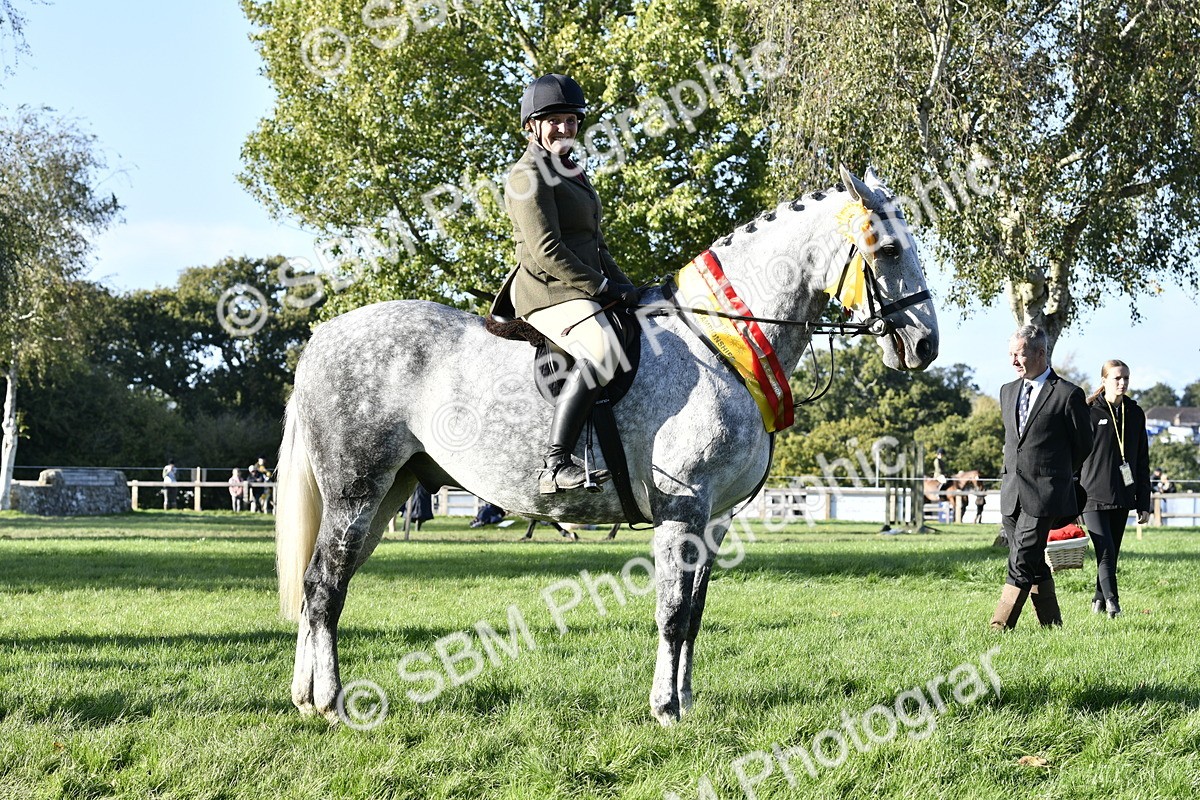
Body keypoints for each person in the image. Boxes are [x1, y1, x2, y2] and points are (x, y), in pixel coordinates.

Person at [491, 74, 638, 494]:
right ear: (532, 126)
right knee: (604, 348)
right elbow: (546, 251)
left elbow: (596, 245)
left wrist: (631, 290)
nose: (565, 128)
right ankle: (555, 464)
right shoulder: (527, 174)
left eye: (571, 120)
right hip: (547, 291)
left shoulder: (572, 170)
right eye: (553, 120)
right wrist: (605, 288)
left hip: (580, 286)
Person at [990, 325, 1093, 630]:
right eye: (1010, 354)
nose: (1012, 361)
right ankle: (1052, 625)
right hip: (1012, 492)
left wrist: (1056, 477)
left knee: (1021, 557)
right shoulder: (1007, 391)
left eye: (1018, 354)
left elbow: (1083, 445)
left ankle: (999, 626)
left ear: (1040, 353)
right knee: (1031, 559)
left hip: (1046, 494)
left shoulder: (1068, 394)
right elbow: (1015, 444)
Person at [1079, 360, 1151, 619]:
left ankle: (1097, 601)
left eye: (1126, 378)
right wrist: (1072, 499)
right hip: (1091, 495)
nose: (1122, 383)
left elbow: (1142, 459)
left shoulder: (1135, 412)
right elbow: (1075, 457)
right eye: (1117, 378)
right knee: (1106, 551)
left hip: (1123, 494)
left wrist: (1144, 501)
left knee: (1110, 554)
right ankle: (1113, 604)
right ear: (1104, 380)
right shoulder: (1088, 411)